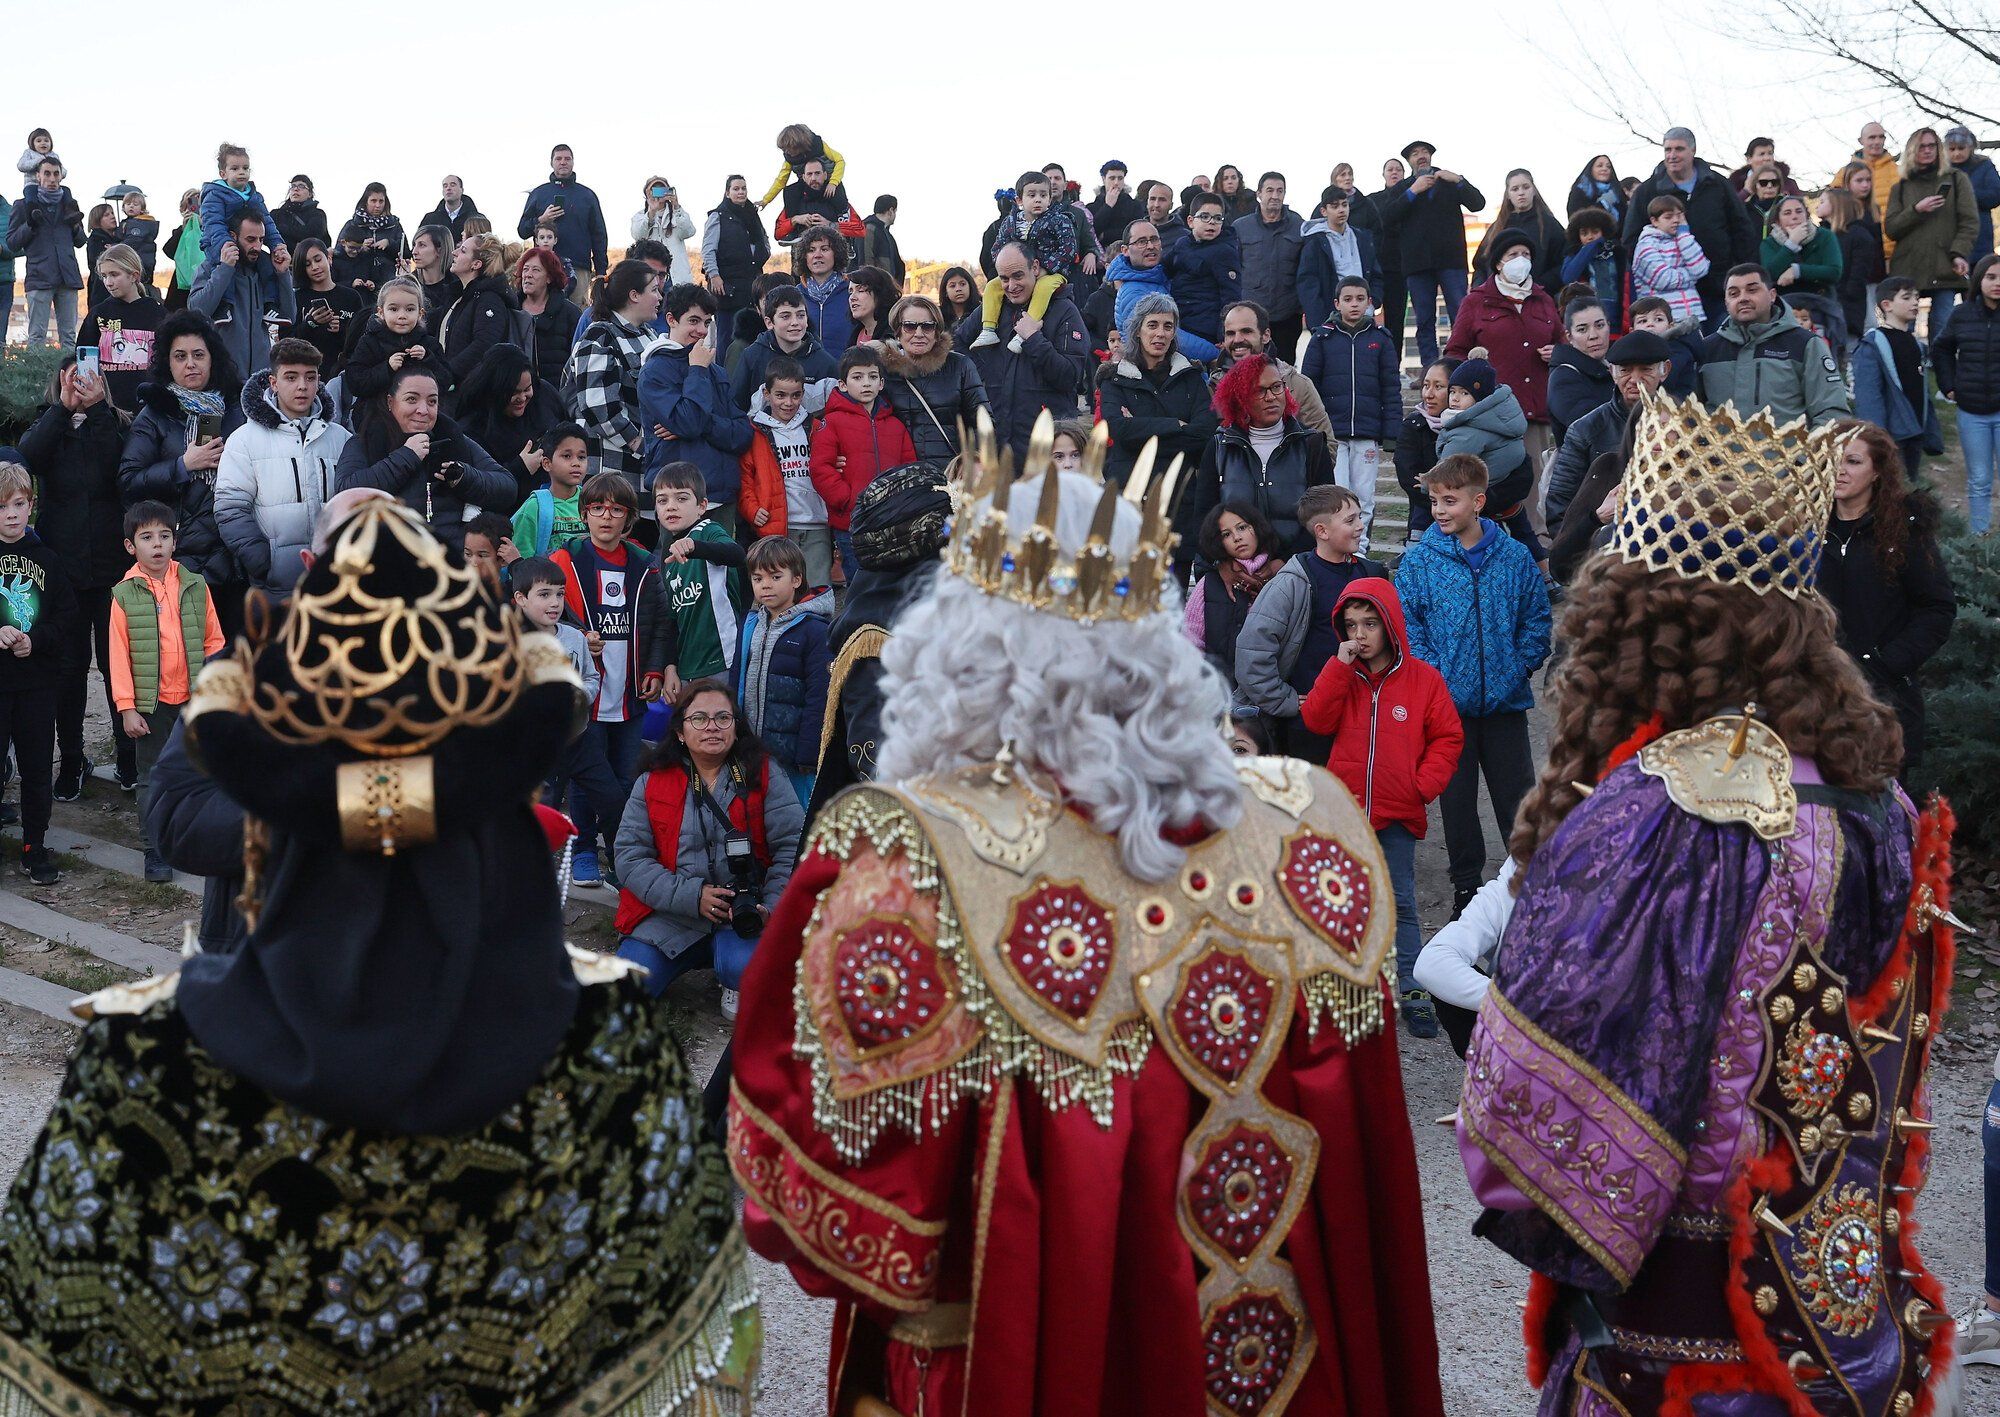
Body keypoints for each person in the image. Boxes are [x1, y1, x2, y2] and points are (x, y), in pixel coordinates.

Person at [0, 495, 759, 1412]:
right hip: (272, 953)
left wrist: (340, 811)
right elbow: (170, 814)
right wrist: (369, 814)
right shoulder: (608, 1057)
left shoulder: (145, 1064)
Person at [730, 456, 1446, 1417]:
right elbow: (1372, 1183)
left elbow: (822, 1209)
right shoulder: (1311, 825)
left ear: (953, 650)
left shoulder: (914, 860)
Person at [1456, 393, 1951, 1417]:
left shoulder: (1655, 815)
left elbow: (1521, 1132)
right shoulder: (1876, 798)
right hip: (1843, 1310)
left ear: (1635, 621)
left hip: (1681, 1336)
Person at [1300, 577, 1462, 1038]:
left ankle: (1410, 985)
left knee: (1400, 901)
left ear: (1390, 624)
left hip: (1396, 811)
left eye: (1370, 623)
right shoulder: (1342, 675)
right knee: (1340, 899)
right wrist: (1336, 666)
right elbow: (1315, 719)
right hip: (1344, 812)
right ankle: (1340, 982)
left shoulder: (1423, 680)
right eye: (1350, 625)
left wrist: (1421, 786)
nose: (1360, 634)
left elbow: (1448, 737)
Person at [1395, 451, 1550, 914]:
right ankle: (1466, 888)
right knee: (1457, 805)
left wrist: (1515, 668)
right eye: (1435, 502)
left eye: (1449, 500)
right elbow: (1409, 626)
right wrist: (1437, 679)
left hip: (1505, 706)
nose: (1439, 510)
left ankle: (1528, 881)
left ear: (1478, 501)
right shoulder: (1421, 562)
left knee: (1517, 798)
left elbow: (1537, 619)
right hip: (1446, 712)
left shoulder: (1515, 557)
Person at [614, 676, 802, 1046]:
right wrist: (691, 895)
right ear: (681, 731)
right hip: (672, 914)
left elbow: (794, 846)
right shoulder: (652, 781)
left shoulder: (763, 774)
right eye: (699, 719)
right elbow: (629, 856)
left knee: (747, 973)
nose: (712, 727)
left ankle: (733, 975)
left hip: (745, 913)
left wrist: (771, 908)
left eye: (723, 718)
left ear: (736, 727)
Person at [550, 472, 673, 888]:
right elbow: (549, 614)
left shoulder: (644, 564)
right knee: (588, 776)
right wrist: (578, 636)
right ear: (585, 513)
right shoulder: (564, 561)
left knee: (625, 776)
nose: (606, 516)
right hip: (587, 691)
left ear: (629, 518)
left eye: (616, 509)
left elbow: (660, 623)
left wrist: (655, 670)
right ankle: (584, 848)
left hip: (631, 689)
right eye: (597, 508)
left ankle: (620, 852)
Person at [20, 356, 133, 797]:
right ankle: (71, 759)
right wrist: (63, 409)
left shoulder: (119, 424)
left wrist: (100, 409)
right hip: (62, 571)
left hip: (111, 569)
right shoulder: (48, 425)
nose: (81, 385)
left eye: (89, 377)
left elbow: (116, 472)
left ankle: (127, 755)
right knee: (68, 671)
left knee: (115, 666)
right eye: (72, 378)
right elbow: (28, 459)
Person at [1820, 419, 1957, 775]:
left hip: (1884, 700)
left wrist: (1884, 664)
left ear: (1878, 471)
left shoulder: (1904, 530)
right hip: (1814, 696)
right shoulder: (1808, 529)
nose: (1839, 470)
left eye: (1853, 461)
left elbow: (1937, 608)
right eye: (1832, 458)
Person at [108, 500, 224, 880]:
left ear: (175, 542)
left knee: (199, 772)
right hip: (151, 705)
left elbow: (214, 641)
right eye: (146, 538)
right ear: (131, 547)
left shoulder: (195, 585)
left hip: (192, 700)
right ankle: (155, 848)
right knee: (152, 776)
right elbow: (118, 657)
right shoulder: (123, 596)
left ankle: (197, 840)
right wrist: (127, 707)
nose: (157, 545)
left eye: (164, 536)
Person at [116, 310, 249, 640]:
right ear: (168, 364)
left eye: (198, 355)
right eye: (180, 356)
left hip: (235, 557)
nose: (191, 364)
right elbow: (129, 480)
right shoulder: (155, 415)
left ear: (212, 359)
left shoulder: (239, 408)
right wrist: (182, 466)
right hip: (180, 561)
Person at [1234, 482, 1388, 758]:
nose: (1360, 526)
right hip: (1308, 724)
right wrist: (1286, 701)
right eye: (1350, 520)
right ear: (1322, 531)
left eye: (1360, 518)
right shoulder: (1293, 583)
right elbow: (1252, 652)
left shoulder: (1372, 574)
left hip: (1363, 715)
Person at [1182, 352, 1336, 583]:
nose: (1271, 397)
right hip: (1234, 575)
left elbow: (1324, 514)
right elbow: (1205, 517)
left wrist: (1284, 562)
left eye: (1276, 387)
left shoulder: (1311, 444)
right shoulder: (1219, 446)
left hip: (1298, 572)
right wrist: (1227, 563)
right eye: (1259, 390)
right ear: (1241, 397)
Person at [335, 363, 514, 551]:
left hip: (449, 560)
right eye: (411, 399)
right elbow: (345, 492)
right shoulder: (364, 441)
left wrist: (465, 477)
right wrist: (406, 457)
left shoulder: (454, 439)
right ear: (390, 402)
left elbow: (507, 486)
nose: (423, 410)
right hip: (388, 559)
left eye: (432, 401)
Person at [0, 461, 76, 883]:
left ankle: (34, 844)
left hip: (36, 682)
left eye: (18, 504)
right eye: (2, 507)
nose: (11, 514)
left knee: (35, 767)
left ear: (31, 505)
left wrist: (37, 640)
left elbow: (66, 616)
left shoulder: (46, 558)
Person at [951, 241, 1091, 463]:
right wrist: (981, 375)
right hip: (997, 447)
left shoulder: (1064, 310)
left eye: (1018, 276)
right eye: (1004, 279)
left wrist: (1034, 340)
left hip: (1046, 449)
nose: (1011, 286)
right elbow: (956, 345)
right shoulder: (991, 310)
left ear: (1035, 268)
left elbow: (1070, 377)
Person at [1446, 225, 1562, 487]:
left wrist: (1558, 352)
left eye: (1526, 254)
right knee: (1492, 486)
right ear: (1498, 262)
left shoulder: (1543, 300)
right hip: (1491, 415)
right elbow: (1454, 352)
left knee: (1535, 487)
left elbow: (1562, 343)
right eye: (1513, 255)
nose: (1521, 260)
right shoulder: (1476, 301)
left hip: (1536, 413)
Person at [1620, 127, 1759, 326]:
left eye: (1679, 149)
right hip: (1670, 298)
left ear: (1693, 150)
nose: (1672, 155)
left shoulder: (1718, 184)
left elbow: (1742, 230)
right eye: (1668, 150)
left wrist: (1738, 271)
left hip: (1720, 286)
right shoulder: (1647, 191)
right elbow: (1631, 239)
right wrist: (1657, 273)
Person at [639, 284, 751, 530]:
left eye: (707, 322)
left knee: (721, 569)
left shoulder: (715, 370)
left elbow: (742, 433)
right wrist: (697, 371)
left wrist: (702, 424)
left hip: (720, 496)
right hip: (678, 498)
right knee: (681, 568)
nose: (701, 330)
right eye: (694, 321)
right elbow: (690, 422)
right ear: (671, 320)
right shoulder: (655, 371)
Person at [1302, 276, 1401, 544]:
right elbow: (1307, 388)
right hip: (1333, 434)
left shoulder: (1381, 340)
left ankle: (1361, 549)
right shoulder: (1322, 338)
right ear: (1337, 303)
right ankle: (1338, 545)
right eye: (1347, 299)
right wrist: (1311, 430)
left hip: (1367, 433)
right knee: (1339, 494)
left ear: (1370, 302)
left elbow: (1391, 387)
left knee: (1365, 496)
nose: (1354, 305)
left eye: (1360, 299)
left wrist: (1392, 433)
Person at [735, 532, 832, 806]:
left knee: (795, 822)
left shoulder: (815, 630)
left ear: (797, 579)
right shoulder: (750, 624)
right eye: (758, 578)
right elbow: (736, 684)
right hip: (751, 749)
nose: (766, 585)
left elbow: (819, 696)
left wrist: (808, 753)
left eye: (775, 577)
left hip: (793, 759)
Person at [809, 346, 919, 581]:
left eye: (872, 377)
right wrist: (847, 500)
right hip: (852, 523)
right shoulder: (832, 422)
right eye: (857, 377)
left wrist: (901, 504)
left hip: (891, 521)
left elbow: (909, 469)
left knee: (889, 582)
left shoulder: (895, 425)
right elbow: (821, 468)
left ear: (881, 383)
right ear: (843, 384)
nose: (866, 383)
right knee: (859, 583)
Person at [1697, 263, 1851, 427]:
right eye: (1734, 294)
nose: (1743, 298)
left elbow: (1831, 412)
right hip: (1719, 452)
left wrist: (1811, 451)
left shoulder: (1805, 344)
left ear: (1772, 295)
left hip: (1789, 452)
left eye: (1752, 290)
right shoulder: (1707, 349)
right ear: (1726, 302)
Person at [1544, 329, 1672, 524]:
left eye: (1646, 369)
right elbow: (1558, 511)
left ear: (1665, 370)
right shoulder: (1585, 431)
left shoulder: (1686, 426)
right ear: (1612, 372)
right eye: (1625, 370)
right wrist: (1594, 527)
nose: (1635, 380)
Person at [1383, 140, 1487, 365]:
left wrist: (1459, 181)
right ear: (1409, 161)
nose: (1421, 156)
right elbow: (1388, 217)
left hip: (1451, 260)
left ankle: (1461, 361)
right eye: (1415, 153)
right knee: (1424, 319)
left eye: (1424, 152)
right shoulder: (1403, 188)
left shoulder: (1449, 180)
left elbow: (1478, 203)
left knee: (1460, 313)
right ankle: (1429, 367)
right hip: (1417, 264)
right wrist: (1413, 191)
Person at [564, 259, 663, 490]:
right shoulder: (599, 335)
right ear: (634, 295)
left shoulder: (647, 334)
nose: (660, 297)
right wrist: (637, 442)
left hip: (643, 471)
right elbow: (597, 405)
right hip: (610, 473)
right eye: (654, 290)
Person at [1100, 292, 1218, 482]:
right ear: (1138, 330)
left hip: (1180, 490)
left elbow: (1204, 434)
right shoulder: (1115, 379)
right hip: (1130, 487)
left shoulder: (1191, 376)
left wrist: (1139, 430)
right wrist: (1177, 425)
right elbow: (1120, 430)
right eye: (1152, 325)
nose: (1160, 333)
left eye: (1168, 326)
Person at [651, 462, 748, 685]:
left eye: (682, 498)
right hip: (686, 669)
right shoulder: (669, 559)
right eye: (662, 500)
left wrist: (695, 547)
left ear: (702, 506)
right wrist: (670, 667)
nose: (671, 506)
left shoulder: (707, 531)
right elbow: (672, 621)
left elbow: (737, 555)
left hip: (722, 661)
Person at [1435, 359, 1540, 558]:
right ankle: (1545, 579)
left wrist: (1427, 483)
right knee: (1523, 537)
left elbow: (1447, 471)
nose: (1455, 398)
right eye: (1453, 391)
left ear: (1481, 398)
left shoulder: (1469, 431)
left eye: (1465, 393)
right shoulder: (1496, 417)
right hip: (1507, 492)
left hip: (1487, 496)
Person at [875, 292, 989, 463]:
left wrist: (975, 465)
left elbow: (983, 424)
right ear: (898, 331)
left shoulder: (960, 366)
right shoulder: (882, 370)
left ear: (937, 332)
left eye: (927, 326)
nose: (919, 333)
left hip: (951, 475)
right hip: (902, 477)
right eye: (910, 326)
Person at [1885, 126, 1978, 335]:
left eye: (1931, 145)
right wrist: (1916, 210)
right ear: (1912, 150)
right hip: (1908, 268)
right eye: (1921, 146)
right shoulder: (1900, 188)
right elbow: (1891, 229)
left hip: (1945, 265)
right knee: (1903, 332)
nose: (1927, 150)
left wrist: (1959, 253)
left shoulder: (1956, 179)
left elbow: (1969, 223)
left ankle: (1940, 368)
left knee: (1941, 332)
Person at [1181, 499, 1284, 685]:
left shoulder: (1285, 580)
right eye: (1226, 534)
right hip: (1218, 689)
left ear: (1257, 527)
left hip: (1274, 687)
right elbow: (1191, 642)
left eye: (1242, 528)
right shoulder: (1210, 584)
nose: (1237, 537)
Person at [737, 358, 827, 571]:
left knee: (817, 592)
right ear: (767, 394)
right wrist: (751, 509)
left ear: (803, 394)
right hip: (775, 526)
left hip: (817, 523)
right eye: (780, 395)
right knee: (778, 591)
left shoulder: (817, 428)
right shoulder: (754, 432)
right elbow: (744, 478)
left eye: (796, 395)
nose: (788, 402)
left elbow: (831, 465)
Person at [189, 209, 298, 379]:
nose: (257, 246)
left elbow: (290, 316)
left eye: (261, 240)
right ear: (233, 236)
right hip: (221, 378)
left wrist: (283, 274)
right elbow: (196, 311)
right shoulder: (210, 267)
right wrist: (224, 269)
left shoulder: (266, 270)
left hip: (258, 379)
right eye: (250, 239)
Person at [1935, 252, 2000, 534]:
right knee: (1979, 479)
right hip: (1971, 411)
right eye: (1991, 277)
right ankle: (1979, 540)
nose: (1997, 283)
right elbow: (1941, 348)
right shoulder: (1961, 314)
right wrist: (1948, 385)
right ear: (1979, 279)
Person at [978, 171, 1079, 350]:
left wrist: (1046, 268)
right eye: (1032, 195)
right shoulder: (1010, 223)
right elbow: (997, 248)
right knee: (993, 286)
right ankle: (988, 329)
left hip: (1051, 274)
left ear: (1050, 199)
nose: (1038, 199)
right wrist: (1005, 269)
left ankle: (1024, 333)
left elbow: (1069, 248)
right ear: (1019, 200)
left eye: (1043, 195)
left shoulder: (1060, 220)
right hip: (1019, 275)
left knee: (1043, 287)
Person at [1853, 275, 1944, 474]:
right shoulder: (1873, 344)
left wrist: (1929, 430)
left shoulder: (1916, 344)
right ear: (1887, 305)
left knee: (1908, 488)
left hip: (1914, 431)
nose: (1915, 302)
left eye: (1916, 297)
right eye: (1906, 297)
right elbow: (1869, 396)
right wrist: (1877, 438)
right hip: (1891, 437)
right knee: (1890, 493)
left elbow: (1922, 392)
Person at [456, 342, 566, 504]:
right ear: (495, 390)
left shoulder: (545, 395)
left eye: (527, 389)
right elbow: (477, 484)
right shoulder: (473, 424)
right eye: (513, 393)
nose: (522, 398)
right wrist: (519, 468)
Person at [1215, 300, 1334, 441]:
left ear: (1265, 335)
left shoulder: (1297, 385)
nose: (1237, 339)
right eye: (1230, 333)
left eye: (1246, 331)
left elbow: (1325, 444)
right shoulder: (1212, 386)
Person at [77, 243, 164, 414]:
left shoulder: (158, 313)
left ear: (134, 276)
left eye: (114, 274)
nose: (108, 282)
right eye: (104, 276)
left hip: (149, 409)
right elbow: (83, 360)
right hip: (107, 408)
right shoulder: (98, 314)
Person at [8, 155, 85, 346]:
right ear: (38, 176)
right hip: (39, 277)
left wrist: (75, 225)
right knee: (37, 335)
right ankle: (37, 377)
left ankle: (68, 376)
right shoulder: (23, 205)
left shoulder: (69, 205)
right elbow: (12, 243)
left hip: (68, 276)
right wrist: (30, 224)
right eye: (47, 173)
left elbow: (81, 240)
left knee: (69, 336)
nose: (52, 178)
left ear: (61, 177)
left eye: (56, 174)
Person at [728, 283, 839, 413]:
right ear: (769, 322)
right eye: (786, 316)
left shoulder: (824, 363)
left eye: (800, 315)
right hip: (760, 432)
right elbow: (736, 407)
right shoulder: (752, 357)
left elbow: (837, 412)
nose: (795, 322)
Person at [343, 274, 448, 405]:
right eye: (394, 309)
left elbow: (446, 381)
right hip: (378, 413)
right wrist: (387, 368)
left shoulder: (429, 344)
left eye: (410, 309)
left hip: (420, 411)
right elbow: (356, 383)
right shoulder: (369, 342)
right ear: (381, 312)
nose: (402, 315)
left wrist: (428, 358)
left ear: (420, 313)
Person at [1763, 192, 1848, 351]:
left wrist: (1797, 271)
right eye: (1787, 213)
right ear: (1777, 220)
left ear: (1807, 215)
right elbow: (1769, 274)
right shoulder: (1769, 244)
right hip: (1784, 307)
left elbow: (1834, 271)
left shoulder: (1825, 237)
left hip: (1820, 304)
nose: (1794, 217)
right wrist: (1791, 244)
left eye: (1799, 211)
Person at [1234, 171, 1306, 353]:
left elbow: (1306, 270)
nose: (1275, 196)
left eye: (1280, 191)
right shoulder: (1241, 227)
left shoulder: (1299, 226)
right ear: (1259, 194)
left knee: (1284, 371)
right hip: (1251, 315)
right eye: (1270, 190)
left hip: (1287, 315)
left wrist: (1300, 307)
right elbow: (1233, 269)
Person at [431, 232, 516, 384]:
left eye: (463, 250)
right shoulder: (459, 296)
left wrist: (447, 374)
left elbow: (484, 345)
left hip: (469, 395)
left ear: (476, 264)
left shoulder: (489, 300)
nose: (454, 253)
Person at [519, 144, 609, 286]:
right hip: (543, 265)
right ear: (551, 163)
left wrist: (601, 271)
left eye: (567, 159)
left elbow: (599, 235)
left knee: (576, 308)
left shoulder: (587, 195)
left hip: (578, 266)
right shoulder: (538, 193)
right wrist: (542, 219)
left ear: (573, 162)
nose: (563, 162)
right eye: (558, 158)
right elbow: (522, 230)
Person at [1297, 185, 1383, 330]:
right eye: (1335, 206)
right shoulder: (1315, 243)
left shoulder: (1362, 238)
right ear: (1324, 211)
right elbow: (1308, 284)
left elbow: (1375, 275)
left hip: (1364, 316)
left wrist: (1372, 303)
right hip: (1330, 319)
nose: (1341, 210)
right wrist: (1319, 324)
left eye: (1345, 205)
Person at [1164, 190, 1243, 346]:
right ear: (1191, 221)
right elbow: (1163, 269)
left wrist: (1223, 334)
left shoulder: (1225, 252)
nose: (1211, 222)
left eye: (1217, 218)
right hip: (1179, 321)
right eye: (1205, 217)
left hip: (1206, 328)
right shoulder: (1182, 244)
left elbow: (1231, 296)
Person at [704, 175, 773, 343]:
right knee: (727, 339)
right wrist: (714, 276)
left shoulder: (753, 215)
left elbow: (764, 241)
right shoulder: (717, 216)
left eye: (743, 188)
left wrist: (763, 253)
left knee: (753, 339)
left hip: (752, 287)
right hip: (727, 289)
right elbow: (708, 250)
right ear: (727, 193)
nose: (740, 192)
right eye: (736, 189)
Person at [1474, 168, 1566, 293]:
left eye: (1526, 187)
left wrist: (1538, 287)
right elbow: (1480, 265)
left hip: (1537, 297)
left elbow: (1563, 264)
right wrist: (1480, 291)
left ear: (1533, 190)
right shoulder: (1496, 228)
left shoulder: (1550, 225)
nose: (1521, 193)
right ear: (1508, 194)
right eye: (1515, 189)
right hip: (1497, 300)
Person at [510, 420, 590, 558]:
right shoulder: (534, 507)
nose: (576, 463)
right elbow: (520, 564)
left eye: (581, 457)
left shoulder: (593, 503)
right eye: (567, 456)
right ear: (547, 464)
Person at [1630, 193, 1711, 325]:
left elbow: (1701, 269)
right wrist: (1691, 275)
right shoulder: (1646, 245)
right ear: (1654, 221)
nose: (1676, 220)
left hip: (1693, 315)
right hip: (1660, 320)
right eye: (1668, 217)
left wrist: (1684, 235)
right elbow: (1664, 280)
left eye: (1679, 215)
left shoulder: (1684, 239)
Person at [1822, 185, 1885, 347]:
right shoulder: (1824, 235)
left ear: (1836, 205)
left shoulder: (1858, 235)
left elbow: (1858, 275)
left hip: (1848, 306)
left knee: (1851, 353)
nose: (1818, 205)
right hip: (1828, 302)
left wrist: (1845, 297)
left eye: (1823, 201)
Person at [289, 238, 362, 377]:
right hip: (305, 373)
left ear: (329, 258)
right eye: (307, 264)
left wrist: (341, 329)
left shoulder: (351, 297)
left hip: (343, 374)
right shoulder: (297, 298)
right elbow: (287, 340)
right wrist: (310, 323)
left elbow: (361, 340)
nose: (314, 267)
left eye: (318, 260)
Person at [511, 246, 581, 392]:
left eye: (535, 270)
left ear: (549, 277)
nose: (528, 275)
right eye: (525, 269)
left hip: (556, 397)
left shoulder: (570, 313)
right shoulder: (509, 310)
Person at [1396, 358, 1452, 539]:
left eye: (1438, 386)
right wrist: (1445, 502)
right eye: (1426, 385)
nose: (1429, 394)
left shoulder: (1472, 428)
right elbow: (1409, 477)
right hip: (1424, 518)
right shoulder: (1413, 425)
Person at [1545, 296, 1614, 438]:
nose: (1593, 335)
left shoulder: (1618, 367)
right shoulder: (1563, 378)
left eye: (1599, 325)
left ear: (1609, 325)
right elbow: (1591, 428)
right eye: (1582, 330)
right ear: (1569, 336)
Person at [789, 226, 854, 354]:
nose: (817, 255)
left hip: (846, 369)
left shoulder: (852, 293)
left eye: (824, 249)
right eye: (811, 250)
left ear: (837, 253)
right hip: (805, 371)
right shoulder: (795, 296)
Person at [772, 156, 864, 243]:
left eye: (817, 173)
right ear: (803, 177)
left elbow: (861, 229)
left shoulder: (838, 199)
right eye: (809, 174)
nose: (813, 178)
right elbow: (778, 233)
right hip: (803, 255)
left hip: (834, 254)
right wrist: (795, 220)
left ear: (825, 175)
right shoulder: (794, 201)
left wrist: (831, 225)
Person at [1560, 206, 1624, 325]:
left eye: (1595, 232)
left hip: (1617, 314)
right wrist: (1590, 248)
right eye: (1584, 233)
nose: (1590, 237)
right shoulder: (1574, 254)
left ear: (1604, 232)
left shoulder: (1617, 253)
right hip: (1589, 312)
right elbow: (1568, 277)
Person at [759, 123, 846, 209]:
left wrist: (833, 183)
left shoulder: (818, 145)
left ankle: (843, 213)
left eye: (788, 148)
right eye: (784, 149)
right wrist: (765, 200)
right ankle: (792, 219)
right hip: (807, 185)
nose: (786, 152)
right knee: (790, 192)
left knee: (839, 200)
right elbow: (781, 180)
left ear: (797, 145)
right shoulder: (790, 159)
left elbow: (839, 160)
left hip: (828, 181)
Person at [628, 175, 695, 283]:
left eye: (662, 189)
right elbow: (637, 236)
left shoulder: (677, 214)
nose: (659, 193)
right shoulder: (640, 216)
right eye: (654, 190)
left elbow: (689, 232)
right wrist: (651, 213)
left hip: (676, 276)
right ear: (647, 193)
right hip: (652, 275)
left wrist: (676, 206)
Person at [1086, 159, 1143, 249]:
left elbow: (1135, 232)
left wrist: (1105, 235)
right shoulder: (1091, 207)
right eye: (1112, 178)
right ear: (1104, 179)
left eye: (1120, 178)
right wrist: (1108, 206)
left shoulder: (1135, 205)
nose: (1116, 183)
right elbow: (1091, 232)